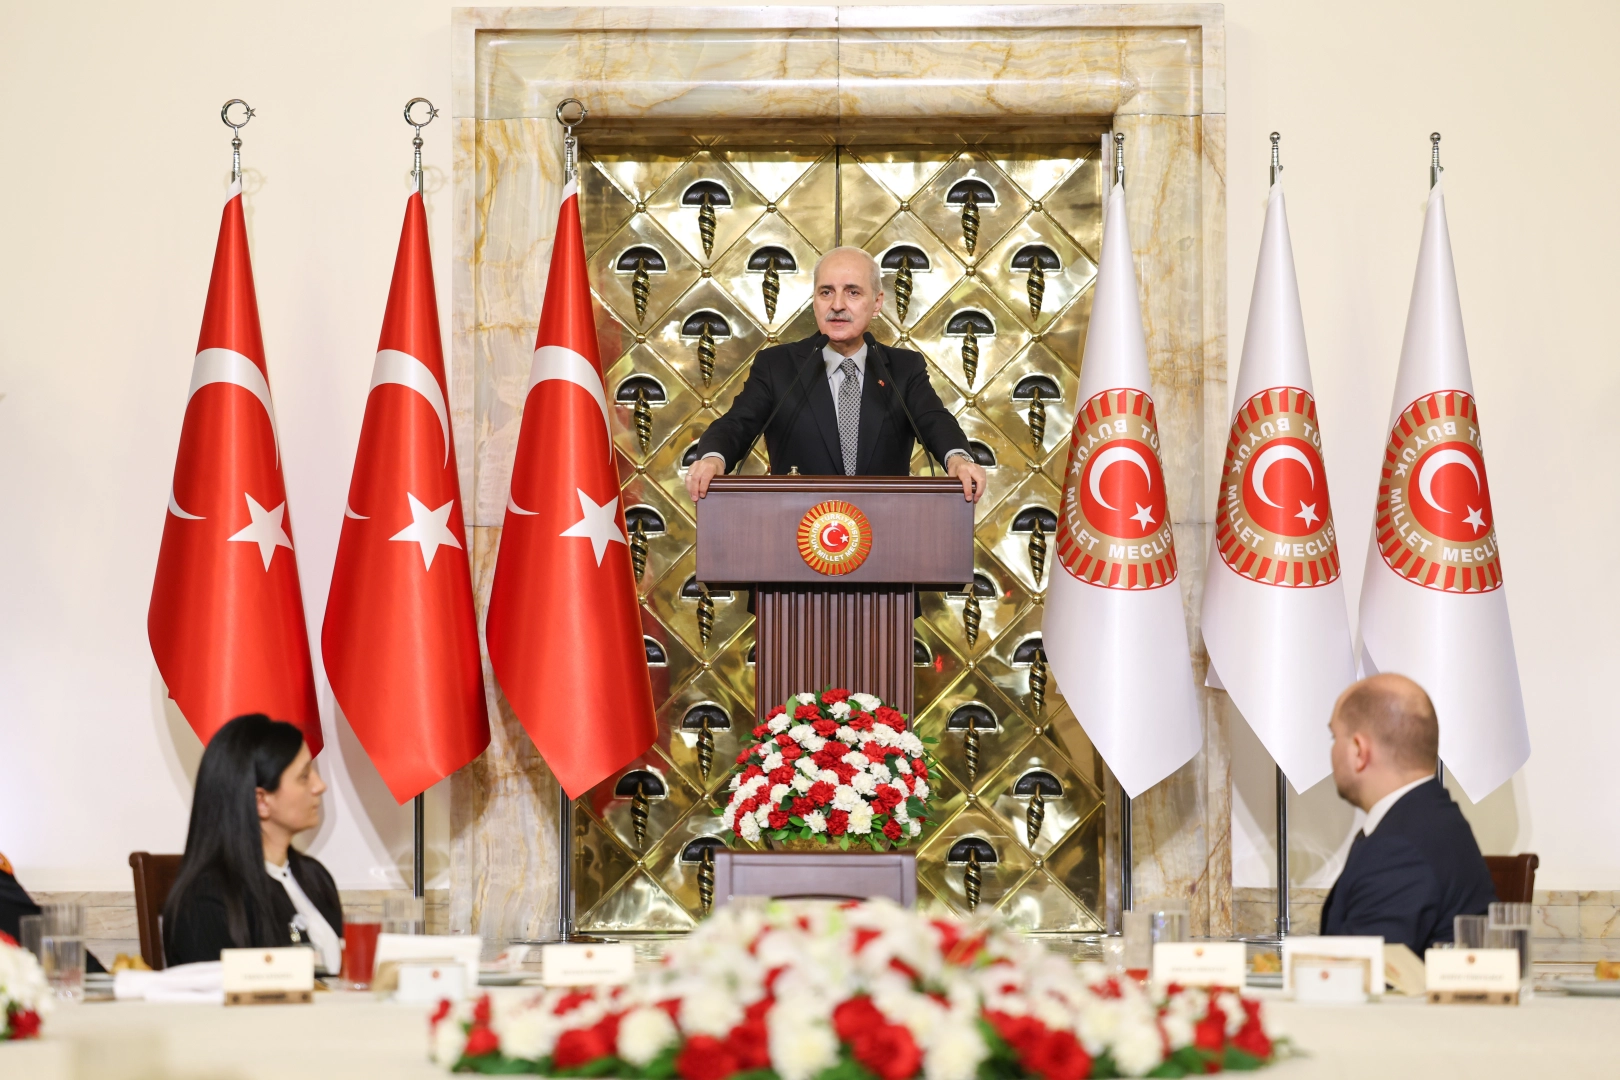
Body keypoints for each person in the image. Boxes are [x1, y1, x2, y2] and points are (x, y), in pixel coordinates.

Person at [684, 246, 989, 504]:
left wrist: (959, 460)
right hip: (797, 532)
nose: (838, 305)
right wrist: (712, 458)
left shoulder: (902, 368)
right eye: (826, 292)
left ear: (877, 303)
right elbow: (737, 424)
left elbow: (934, 421)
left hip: (885, 532)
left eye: (852, 292)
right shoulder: (778, 365)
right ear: (814, 300)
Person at [1319, 673, 1496, 953]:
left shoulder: (1398, 848)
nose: (1332, 750)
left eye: (1334, 737)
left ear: (1359, 751)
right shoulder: (1434, 820)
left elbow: (1358, 970)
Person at [163, 714, 344, 972]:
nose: (320, 786)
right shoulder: (205, 901)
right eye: (304, 776)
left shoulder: (316, 878)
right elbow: (217, 994)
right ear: (261, 801)